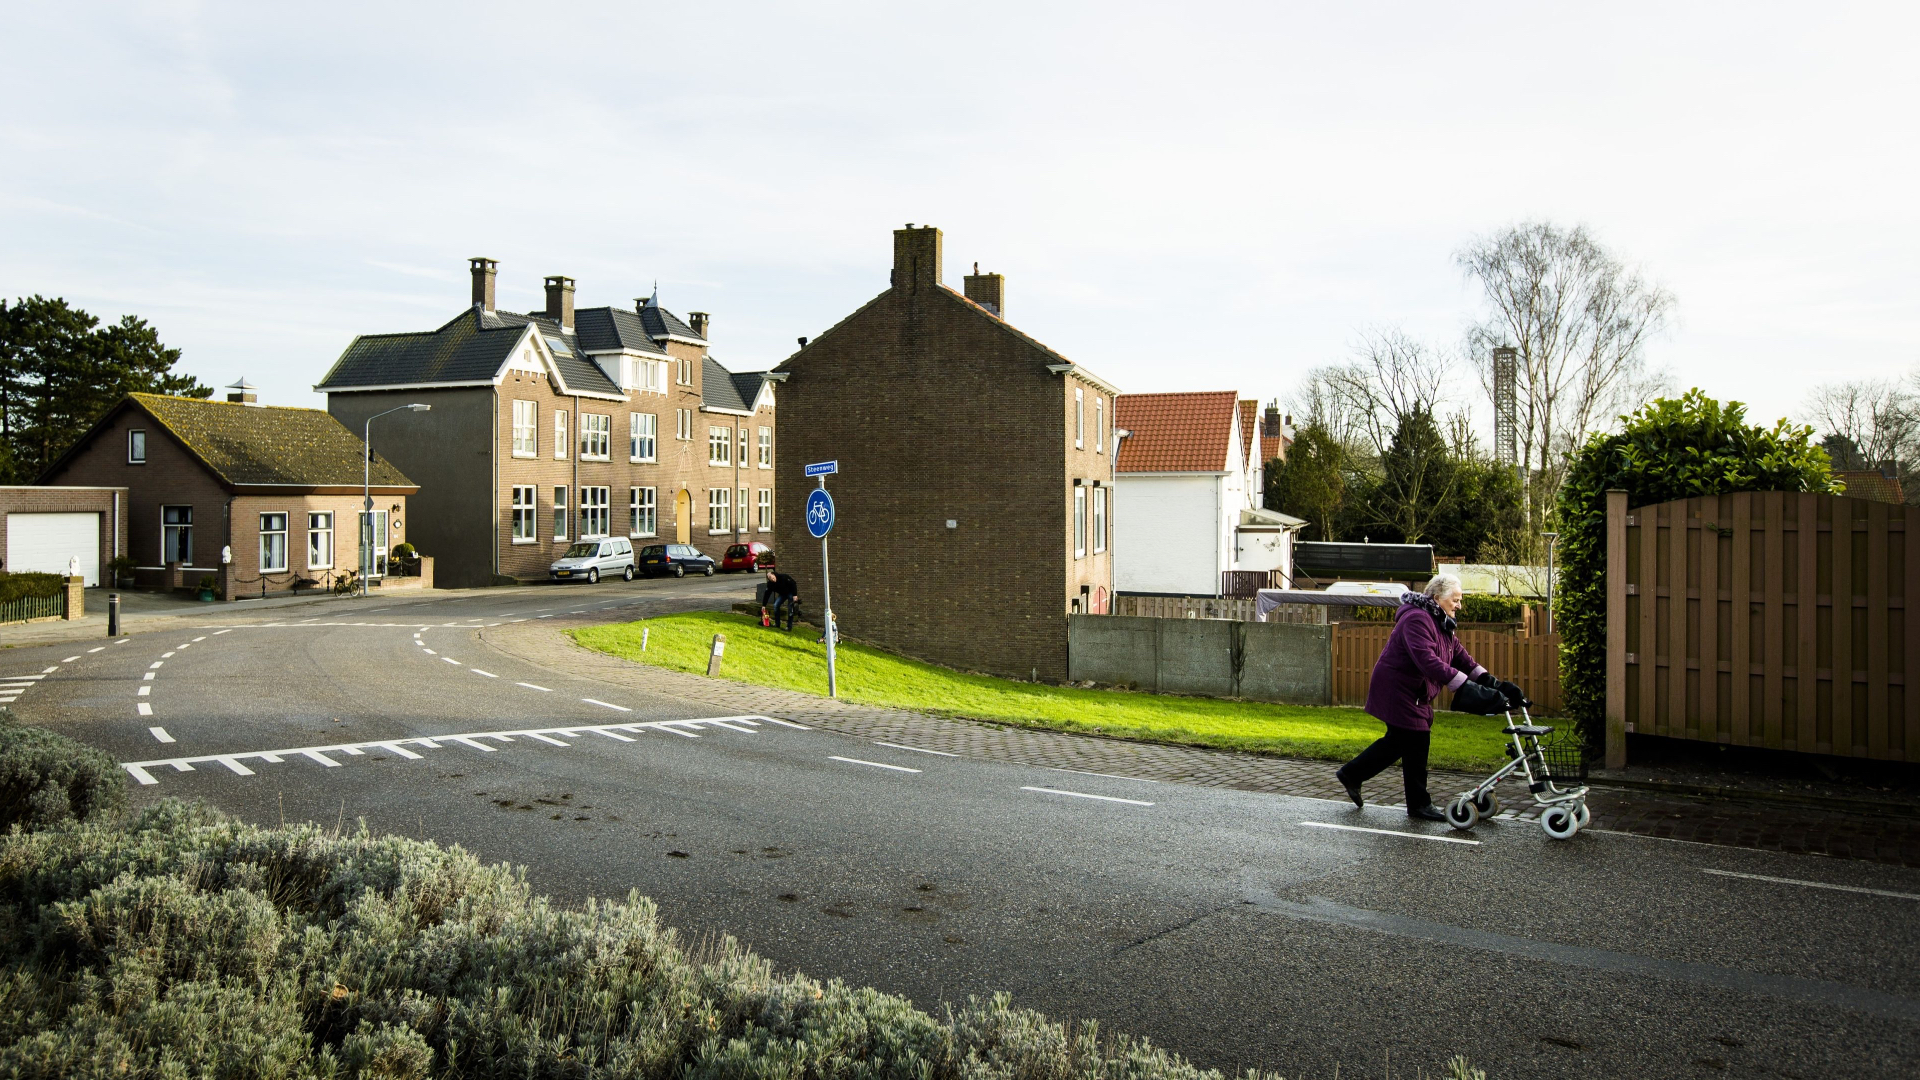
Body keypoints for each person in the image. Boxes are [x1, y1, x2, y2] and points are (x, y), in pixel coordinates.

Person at [1336, 573, 1503, 821]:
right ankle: (1418, 805)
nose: (1459, 605)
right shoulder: (1417, 619)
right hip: (1398, 689)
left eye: (1460, 600)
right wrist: (1465, 686)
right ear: (1436, 598)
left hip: (1412, 691)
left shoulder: (1441, 622)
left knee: (1399, 742)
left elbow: (1460, 657)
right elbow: (1427, 660)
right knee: (1416, 740)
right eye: (1455, 600)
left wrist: (1491, 682)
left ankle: (1352, 774)